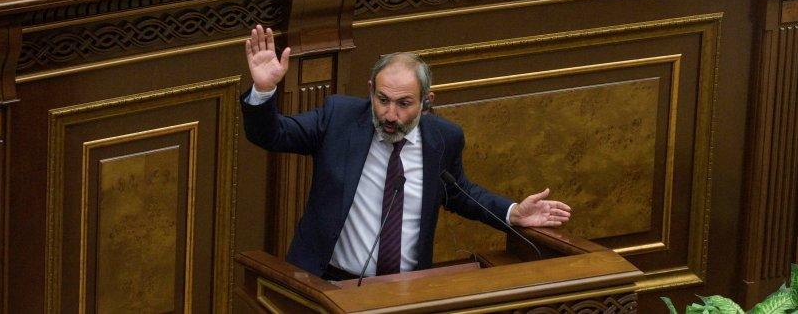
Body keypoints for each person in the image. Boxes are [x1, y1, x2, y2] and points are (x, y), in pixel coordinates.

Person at [242, 25, 571, 280]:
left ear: (427, 101)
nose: (389, 114)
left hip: (404, 292)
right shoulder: (338, 119)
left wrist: (513, 213)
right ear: (371, 90)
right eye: (383, 99)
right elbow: (272, 134)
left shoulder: (443, 139)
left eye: (404, 104)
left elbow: (460, 192)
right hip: (327, 284)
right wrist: (263, 89)